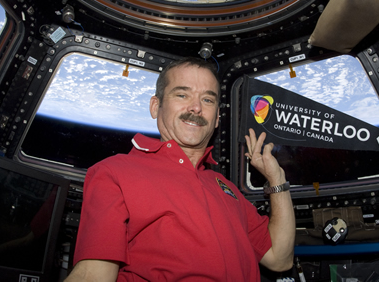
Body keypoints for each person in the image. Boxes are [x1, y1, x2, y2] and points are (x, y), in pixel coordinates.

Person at [65, 57, 295, 281]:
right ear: (156, 106)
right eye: (182, 94)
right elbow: (93, 273)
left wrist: (277, 179)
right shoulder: (114, 173)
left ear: (216, 119)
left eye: (207, 100)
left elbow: (279, 258)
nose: (195, 107)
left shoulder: (227, 189)